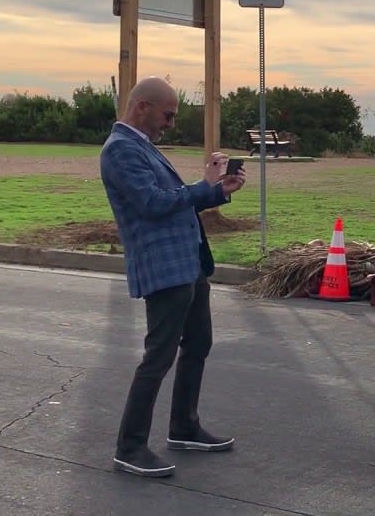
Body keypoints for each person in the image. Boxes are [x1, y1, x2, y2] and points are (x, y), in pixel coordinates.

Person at [99, 76, 246, 478]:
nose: (169, 123)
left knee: (198, 343)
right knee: (158, 356)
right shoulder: (120, 150)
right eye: (167, 114)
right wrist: (204, 186)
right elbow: (153, 204)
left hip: (188, 263)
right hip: (164, 266)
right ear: (141, 107)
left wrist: (219, 190)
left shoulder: (141, 147)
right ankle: (130, 446)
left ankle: (184, 426)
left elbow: (176, 203)